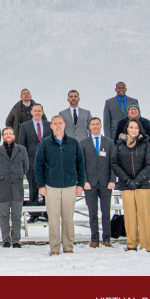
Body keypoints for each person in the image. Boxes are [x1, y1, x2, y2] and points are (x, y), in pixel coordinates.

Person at [34, 116, 85, 256]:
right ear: (51, 126)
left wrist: (80, 184)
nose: (58, 126)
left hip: (70, 186)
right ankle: (55, 248)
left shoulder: (73, 143)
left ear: (64, 125)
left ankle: (68, 246)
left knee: (68, 218)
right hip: (51, 187)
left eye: (60, 123)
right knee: (54, 219)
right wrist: (41, 185)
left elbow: (81, 165)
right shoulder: (45, 144)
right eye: (55, 124)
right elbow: (38, 166)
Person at [112, 119, 150, 252]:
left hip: (142, 184)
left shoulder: (145, 144)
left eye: (136, 127)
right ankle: (131, 243)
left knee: (143, 215)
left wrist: (138, 180)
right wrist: (127, 180)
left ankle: (146, 244)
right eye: (131, 127)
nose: (134, 130)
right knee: (129, 215)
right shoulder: (119, 144)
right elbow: (114, 163)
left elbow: (149, 164)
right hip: (126, 185)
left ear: (139, 129)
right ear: (127, 129)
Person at [0, 127, 29, 248]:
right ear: (2, 136)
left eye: (10, 134)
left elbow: (26, 166)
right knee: (4, 216)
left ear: (14, 136)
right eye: (5, 134)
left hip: (17, 188)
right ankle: (6, 240)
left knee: (17, 216)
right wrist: (2, 176)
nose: (8, 136)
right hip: (3, 188)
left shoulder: (21, 149)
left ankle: (16, 240)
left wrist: (18, 175)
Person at [80, 117, 116, 248]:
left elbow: (113, 162)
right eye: (93, 124)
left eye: (97, 124)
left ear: (101, 125)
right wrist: (84, 181)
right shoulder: (83, 143)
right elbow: (81, 164)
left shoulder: (109, 142)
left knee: (106, 212)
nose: (95, 126)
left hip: (106, 183)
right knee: (92, 213)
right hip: (90, 184)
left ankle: (107, 238)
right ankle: (94, 239)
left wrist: (113, 180)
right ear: (89, 127)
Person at [18, 103, 51, 222]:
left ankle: (47, 213)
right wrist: (24, 162)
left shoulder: (49, 125)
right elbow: (22, 145)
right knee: (33, 189)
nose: (37, 113)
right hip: (31, 163)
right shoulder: (25, 126)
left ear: (42, 112)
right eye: (35, 111)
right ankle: (34, 214)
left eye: (39, 111)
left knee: (47, 189)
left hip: (47, 164)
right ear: (31, 112)